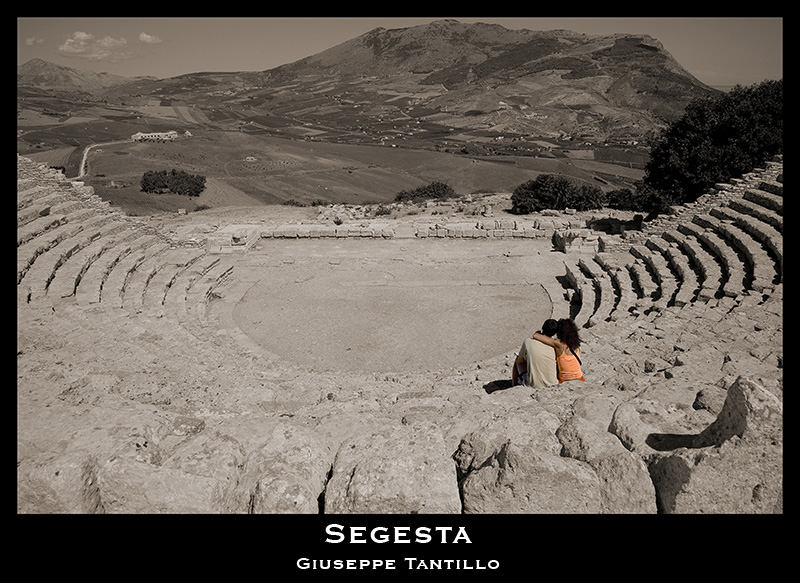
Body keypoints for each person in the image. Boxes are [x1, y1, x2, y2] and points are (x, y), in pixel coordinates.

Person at [532, 318, 585, 383]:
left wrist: (538, 332)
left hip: (565, 379)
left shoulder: (559, 345)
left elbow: (535, 336)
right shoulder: (576, 344)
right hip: (579, 377)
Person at [512, 319, 559, 388]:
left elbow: (520, 361)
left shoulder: (528, 342)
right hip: (553, 383)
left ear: (542, 328)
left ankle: (514, 384)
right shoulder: (555, 345)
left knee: (518, 360)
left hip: (534, 385)